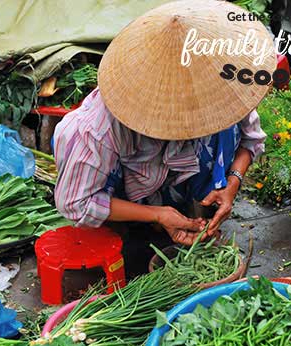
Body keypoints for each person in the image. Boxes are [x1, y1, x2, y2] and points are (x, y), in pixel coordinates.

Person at [54, 0, 276, 247]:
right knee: (120, 213)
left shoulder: (223, 84)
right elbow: (75, 203)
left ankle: (199, 198)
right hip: (130, 182)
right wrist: (157, 214)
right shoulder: (96, 129)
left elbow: (251, 138)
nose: (192, 121)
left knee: (227, 129)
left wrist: (232, 182)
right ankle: (138, 218)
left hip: (169, 171)